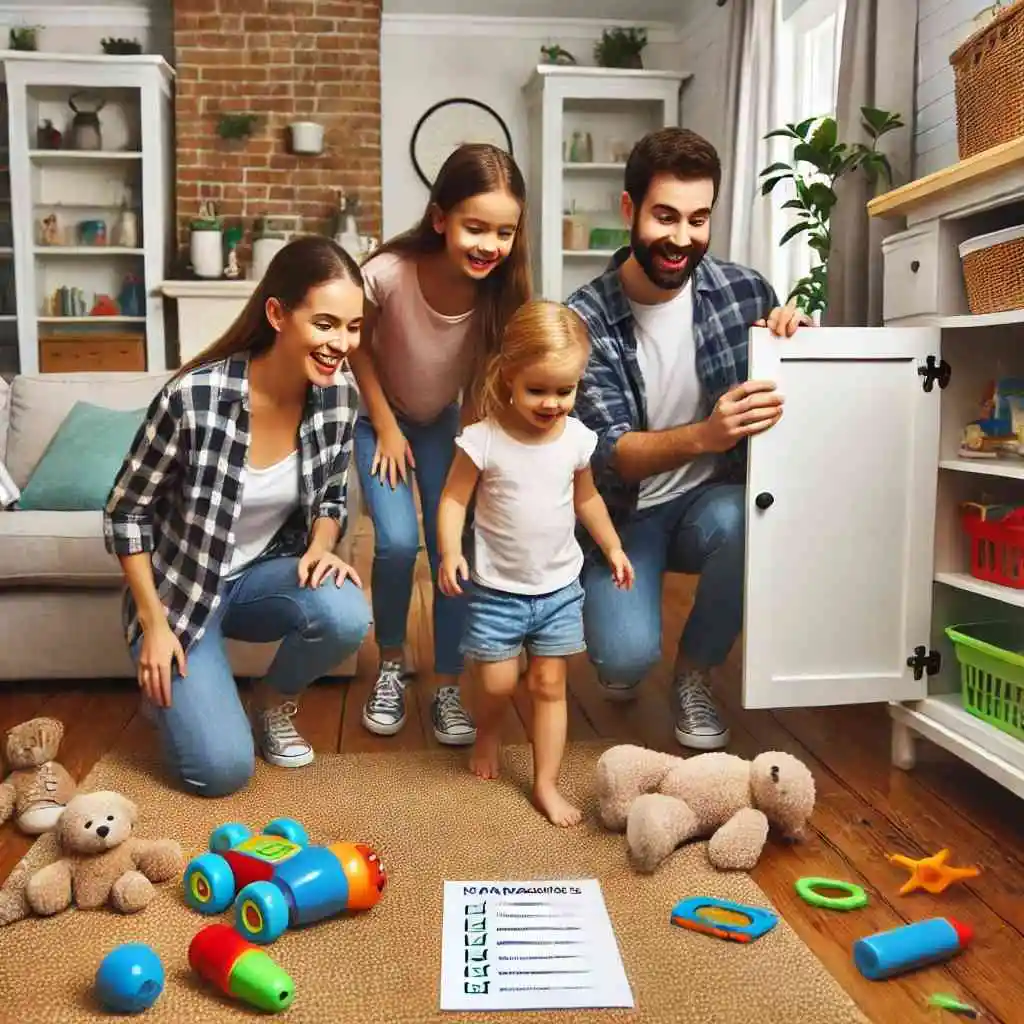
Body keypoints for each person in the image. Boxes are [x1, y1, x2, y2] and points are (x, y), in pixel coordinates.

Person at [566, 126, 811, 752]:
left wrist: (800, 340)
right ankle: (624, 658)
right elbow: (609, 452)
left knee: (751, 514)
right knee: (621, 662)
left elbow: (793, 400)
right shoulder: (584, 319)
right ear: (629, 210)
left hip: (712, 506)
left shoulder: (746, 291)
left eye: (698, 219)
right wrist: (705, 434)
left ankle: (695, 674)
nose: (682, 238)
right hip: (626, 515)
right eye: (665, 216)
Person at [103, 235, 372, 798]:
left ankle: (269, 703)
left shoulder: (340, 399)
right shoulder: (193, 399)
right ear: (276, 313)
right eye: (324, 324)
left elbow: (329, 498)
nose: (340, 343)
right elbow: (126, 514)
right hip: (179, 596)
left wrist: (322, 545)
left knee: (346, 611)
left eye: (352, 327)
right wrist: (154, 625)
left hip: (259, 581)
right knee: (221, 772)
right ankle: (187, 693)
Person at [349, 142, 532, 746]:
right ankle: (393, 663)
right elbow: (358, 349)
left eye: (503, 232)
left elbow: (482, 383)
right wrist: (387, 426)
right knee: (399, 544)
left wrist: (469, 458)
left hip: (449, 426)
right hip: (381, 422)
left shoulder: (499, 294)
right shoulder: (386, 274)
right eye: (474, 227)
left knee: (459, 548)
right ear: (439, 218)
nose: (489, 245)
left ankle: (449, 681)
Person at [437, 300, 634, 826]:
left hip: (559, 588)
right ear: (507, 376)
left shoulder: (576, 439)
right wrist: (452, 551)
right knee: (499, 683)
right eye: (537, 390)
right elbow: (454, 499)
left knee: (549, 685)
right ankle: (488, 732)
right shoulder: (483, 439)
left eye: (564, 391)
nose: (552, 403)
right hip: (498, 589)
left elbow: (587, 499)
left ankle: (545, 782)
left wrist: (612, 546)